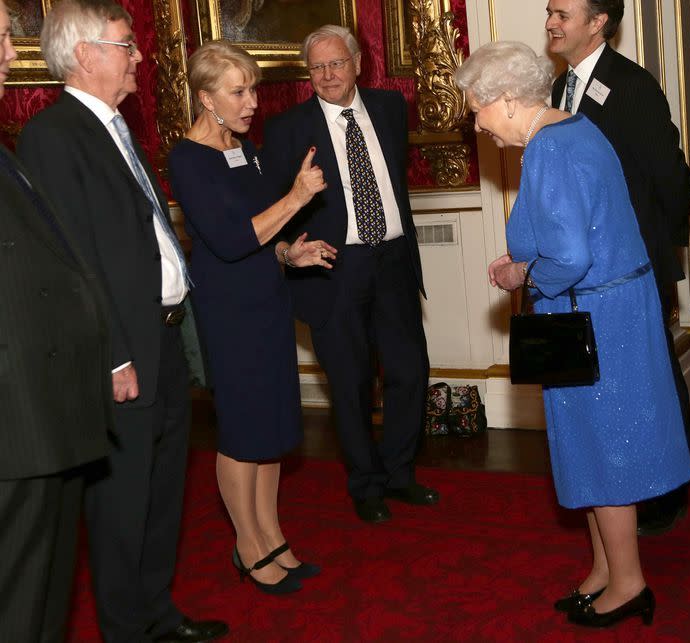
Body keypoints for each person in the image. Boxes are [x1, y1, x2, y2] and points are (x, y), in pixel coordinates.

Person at [455, 41, 690, 627]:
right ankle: (604, 569)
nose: (475, 123)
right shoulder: (576, 128)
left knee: (606, 451)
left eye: (477, 108)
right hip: (608, 309)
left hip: (593, 317)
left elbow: (569, 256)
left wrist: (519, 271)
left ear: (506, 100)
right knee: (591, 446)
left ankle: (629, 582)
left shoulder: (549, 151)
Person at [17, 1, 228, 640]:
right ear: (85, 55)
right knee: (120, 506)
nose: (140, 56)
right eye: (125, 44)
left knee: (162, 495)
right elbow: (74, 261)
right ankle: (127, 631)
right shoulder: (53, 136)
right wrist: (113, 355)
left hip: (159, 339)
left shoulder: (115, 126)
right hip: (121, 354)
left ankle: (156, 616)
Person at [168, 40, 334, 595]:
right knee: (242, 430)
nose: (251, 102)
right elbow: (233, 238)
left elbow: (264, 235)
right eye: (238, 91)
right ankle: (247, 545)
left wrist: (291, 253)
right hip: (229, 311)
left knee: (269, 427)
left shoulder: (247, 150)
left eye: (253, 89)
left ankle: (272, 537)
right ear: (205, 97)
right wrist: (296, 196)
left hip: (266, 300)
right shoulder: (188, 159)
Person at [259, 25, 436, 524]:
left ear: (358, 62)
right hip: (333, 268)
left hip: (395, 259)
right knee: (352, 380)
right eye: (317, 67)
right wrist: (287, 248)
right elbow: (275, 206)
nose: (328, 75)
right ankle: (366, 483)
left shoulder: (389, 108)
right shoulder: (287, 129)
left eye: (337, 63)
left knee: (408, 371)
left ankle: (400, 474)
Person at [546, 0, 690, 535]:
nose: (551, 23)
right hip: (583, 275)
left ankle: (667, 494)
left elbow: (674, 181)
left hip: (632, 269)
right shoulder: (558, 88)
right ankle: (613, 487)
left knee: (652, 380)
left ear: (598, 21)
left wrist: (659, 252)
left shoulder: (631, 85)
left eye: (563, 13)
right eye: (549, 11)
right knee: (604, 388)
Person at [0, 3, 111, 639]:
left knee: (44, 594)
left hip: (43, 414)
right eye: (4, 40)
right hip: (15, 421)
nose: (16, 54)